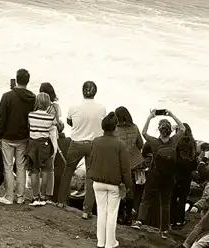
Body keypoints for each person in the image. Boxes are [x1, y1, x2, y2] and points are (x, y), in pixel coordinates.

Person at [133, 109, 187, 239]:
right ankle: (164, 231)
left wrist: (150, 117)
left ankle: (140, 221)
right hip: (169, 177)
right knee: (166, 203)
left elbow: (144, 132)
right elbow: (183, 128)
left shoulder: (155, 143)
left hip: (154, 175)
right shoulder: (174, 141)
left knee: (146, 198)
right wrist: (171, 114)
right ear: (170, 130)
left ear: (159, 130)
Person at [59, 80, 107, 216]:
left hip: (77, 142)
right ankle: (87, 210)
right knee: (91, 177)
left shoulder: (74, 107)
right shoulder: (101, 108)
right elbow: (103, 125)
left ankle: (62, 201)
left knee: (68, 171)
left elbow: (69, 122)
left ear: (82, 91)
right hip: (94, 144)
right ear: (95, 92)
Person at [89, 112, 133, 248]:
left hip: (97, 183)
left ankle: (100, 242)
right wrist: (128, 184)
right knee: (111, 213)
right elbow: (125, 168)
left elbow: (91, 161)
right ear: (115, 127)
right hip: (114, 184)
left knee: (101, 212)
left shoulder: (96, 141)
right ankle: (110, 243)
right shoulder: (120, 144)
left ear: (103, 127)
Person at [0, 68, 36, 205]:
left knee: (7, 166)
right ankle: (20, 196)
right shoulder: (32, 98)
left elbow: (2, 118)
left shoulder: (7, 96)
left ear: (16, 79)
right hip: (24, 137)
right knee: (21, 167)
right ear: (28, 81)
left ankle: (8, 196)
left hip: (8, 136)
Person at [27, 92, 61, 206]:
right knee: (46, 171)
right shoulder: (50, 118)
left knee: (34, 171)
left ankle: (34, 196)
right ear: (47, 104)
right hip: (45, 145)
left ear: (37, 102)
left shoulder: (30, 115)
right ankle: (43, 195)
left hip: (33, 145)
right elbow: (55, 128)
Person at [114, 106, 145, 225]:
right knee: (130, 189)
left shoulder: (115, 129)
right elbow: (140, 144)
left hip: (118, 162)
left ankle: (119, 215)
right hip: (132, 162)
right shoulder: (135, 127)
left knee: (119, 188)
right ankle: (128, 217)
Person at [40, 82, 66, 203]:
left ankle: (38, 191)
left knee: (38, 166)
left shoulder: (38, 106)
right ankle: (48, 195)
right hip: (52, 136)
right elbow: (58, 122)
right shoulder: (56, 107)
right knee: (50, 167)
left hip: (39, 135)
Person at [174, 124, 200, 228]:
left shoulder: (176, 141)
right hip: (187, 174)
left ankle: (171, 220)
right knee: (183, 198)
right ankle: (179, 220)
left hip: (176, 173)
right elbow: (194, 158)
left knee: (173, 196)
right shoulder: (193, 142)